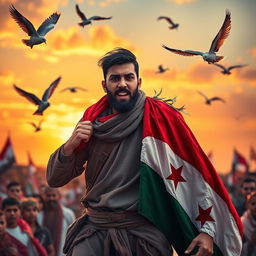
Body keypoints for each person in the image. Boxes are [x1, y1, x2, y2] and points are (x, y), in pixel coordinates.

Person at [47, 48, 242, 256]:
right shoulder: (90, 121)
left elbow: (197, 173)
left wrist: (207, 230)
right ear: (105, 85)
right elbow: (55, 179)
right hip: (96, 228)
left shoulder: (163, 119)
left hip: (144, 233)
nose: (122, 83)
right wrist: (70, 145)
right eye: (115, 78)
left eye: (128, 77)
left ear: (138, 82)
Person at [37, 186, 75, 256]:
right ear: (44, 197)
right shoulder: (39, 216)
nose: (51, 198)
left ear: (59, 196)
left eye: (54, 195)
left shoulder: (68, 214)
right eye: (48, 196)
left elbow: (73, 235)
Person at [241, 191, 256, 256]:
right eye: (253, 204)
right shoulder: (242, 222)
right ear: (247, 205)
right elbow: (237, 247)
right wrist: (250, 243)